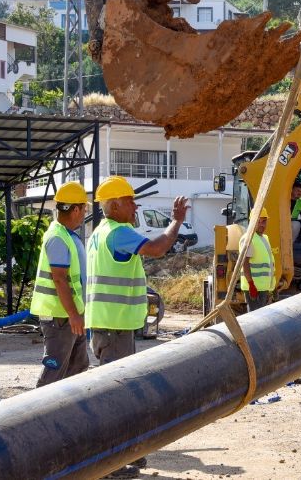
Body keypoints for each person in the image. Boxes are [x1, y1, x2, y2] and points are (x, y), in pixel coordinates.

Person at [86, 176, 187, 478]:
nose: (135, 206)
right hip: (114, 327)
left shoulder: (100, 233)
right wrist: (176, 221)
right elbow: (157, 248)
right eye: (130, 201)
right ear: (115, 205)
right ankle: (109, 464)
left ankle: (125, 452)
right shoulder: (119, 233)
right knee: (115, 398)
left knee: (119, 393)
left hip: (109, 325)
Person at [30, 182, 89, 388]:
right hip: (60, 317)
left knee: (78, 366)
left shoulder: (66, 235)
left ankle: (70, 405)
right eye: (84, 208)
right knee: (54, 372)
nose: (85, 213)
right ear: (75, 210)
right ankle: (40, 406)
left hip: (69, 315)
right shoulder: (57, 237)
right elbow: (59, 279)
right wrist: (73, 315)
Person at [240, 207, 275, 311]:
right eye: (258, 222)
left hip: (263, 288)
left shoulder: (264, 238)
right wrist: (251, 285)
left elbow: (269, 265)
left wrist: (272, 287)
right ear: (252, 222)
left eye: (264, 221)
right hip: (254, 289)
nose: (261, 225)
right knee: (255, 318)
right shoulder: (248, 239)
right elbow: (245, 263)